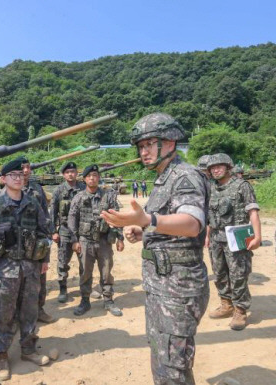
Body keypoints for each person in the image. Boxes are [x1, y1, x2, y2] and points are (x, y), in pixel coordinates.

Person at [101, 113, 209, 385]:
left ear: (171, 142)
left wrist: (149, 220)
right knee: (166, 359)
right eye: (141, 146)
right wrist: (144, 229)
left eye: (150, 144)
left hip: (177, 288)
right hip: (162, 285)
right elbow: (166, 224)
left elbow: (192, 223)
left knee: (171, 367)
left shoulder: (185, 176)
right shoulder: (165, 179)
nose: (144, 151)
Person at [0, 158, 51, 382]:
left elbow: (43, 232)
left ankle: (28, 349)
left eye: (20, 175)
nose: (18, 179)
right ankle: (2, 355)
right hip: (3, 269)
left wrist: (45, 259)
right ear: (3, 180)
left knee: (29, 311)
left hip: (29, 267)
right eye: (13, 176)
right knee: (3, 314)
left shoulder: (32, 204)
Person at [205, 153, 261, 331]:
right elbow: (209, 215)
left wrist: (257, 237)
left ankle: (240, 310)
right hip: (216, 237)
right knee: (219, 272)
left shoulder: (241, 186)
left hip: (237, 235)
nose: (215, 170)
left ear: (228, 167)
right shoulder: (211, 187)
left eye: (219, 166)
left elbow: (253, 212)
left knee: (238, 274)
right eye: (212, 168)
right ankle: (226, 304)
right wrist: (207, 235)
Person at [67, 164, 124, 316]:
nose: (92, 178)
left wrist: (120, 238)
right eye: (89, 176)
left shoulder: (108, 196)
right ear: (84, 179)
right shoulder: (78, 198)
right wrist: (74, 240)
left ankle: (108, 300)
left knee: (106, 272)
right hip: (85, 241)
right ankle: (85, 301)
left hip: (104, 241)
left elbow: (116, 218)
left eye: (95, 176)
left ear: (98, 178)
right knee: (85, 272)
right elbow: (72, 219)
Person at [20, 157, 55, 323]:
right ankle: (17, 315)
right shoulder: (8, 190)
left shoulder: (37, 190)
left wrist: (47, 237)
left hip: (37, 242)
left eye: (28, 167)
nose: (26, 171)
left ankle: (39, 309)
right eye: (22, 168)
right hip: (18, 243)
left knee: (40, 278)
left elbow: (45, 216)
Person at [50, 161, 85, 303]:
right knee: (63, 261)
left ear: (77, 173)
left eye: (73, 171)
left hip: (82, 231)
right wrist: (53, 231)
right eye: (67, 172)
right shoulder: (59, 191)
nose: (71, 174)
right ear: (64, 175)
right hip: (65, 230)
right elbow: (53, 212)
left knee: (85, 261)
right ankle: (63, 288)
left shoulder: (83, 188)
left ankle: (85, 288)